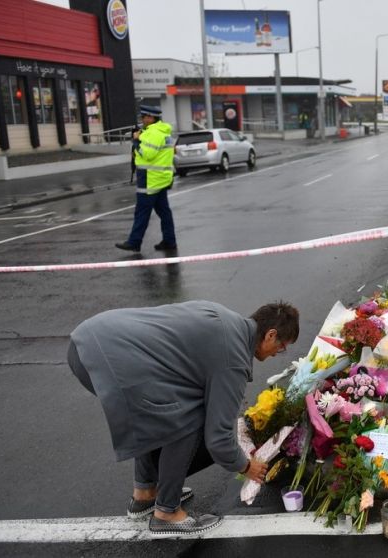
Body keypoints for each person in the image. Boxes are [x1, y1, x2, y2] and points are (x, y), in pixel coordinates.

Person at [67, 300, 300, 536]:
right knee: (188, 419)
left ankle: (145, 494)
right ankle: (167, 513)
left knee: (166, 410)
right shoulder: (233, 358)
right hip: (106, 360)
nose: (277, 354)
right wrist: (247, 466)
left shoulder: (224, 318)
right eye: (281, 348)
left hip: (90, 341)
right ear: (271, 335)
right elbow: (218, 439)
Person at [116, 105, 177, 253]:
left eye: (144, 117)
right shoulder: (162, 131)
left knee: (141, 212)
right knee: (164, 212)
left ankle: (134, 242)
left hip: (150, 179)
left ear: (150, 118)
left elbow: (147, 154)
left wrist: (137, 141)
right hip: (160, 178)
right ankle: (169, 241)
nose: (142, 120)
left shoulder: (154, 133)